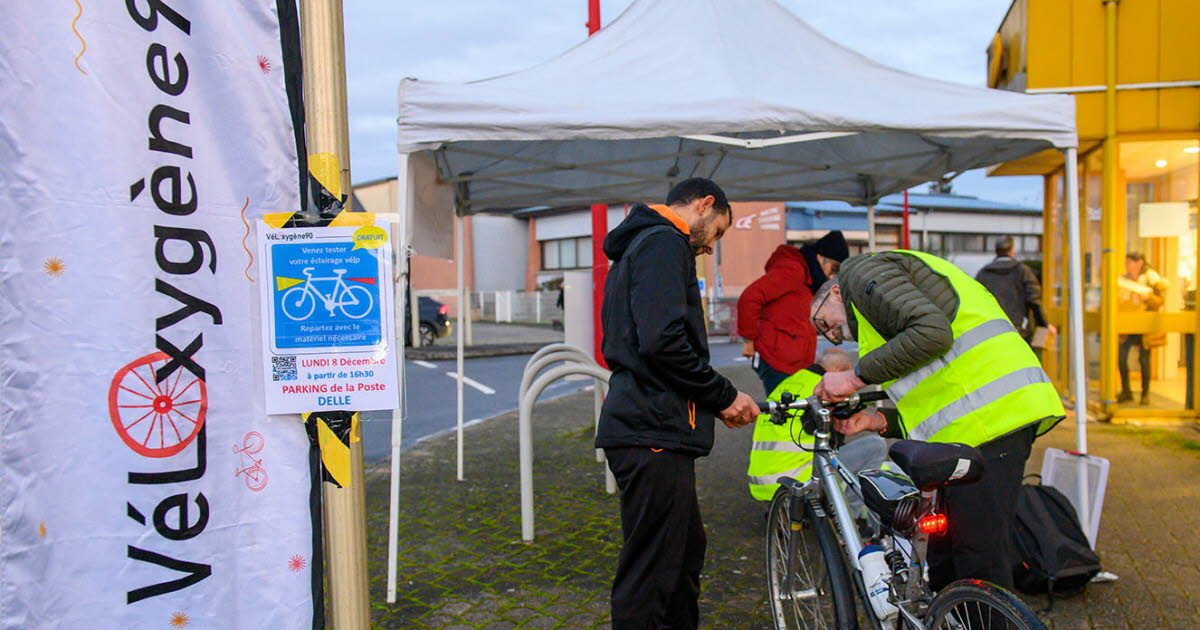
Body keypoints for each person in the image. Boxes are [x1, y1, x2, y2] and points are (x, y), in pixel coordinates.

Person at [807, 250, 1065, 592]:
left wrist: (853, 378)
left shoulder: (860, 273)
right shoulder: (876, 312)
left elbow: (932, 333)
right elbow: (934, 393)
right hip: (975, 424)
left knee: (979, 557)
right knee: (945, 555)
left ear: (835, 292)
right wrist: (876, 421)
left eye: (824, 322)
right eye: (825, 334)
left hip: (995, 420)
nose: (834, 336)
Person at [595, 177, 759, 630]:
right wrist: (724, 396)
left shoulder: (645, 244)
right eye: (719, 231)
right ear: (705, 205)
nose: (711, 248)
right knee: (653, 572)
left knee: (683, 552)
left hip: (654, 426)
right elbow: (663, 343)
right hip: (651, 427)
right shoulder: (664, 244)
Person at [746, 348, 887, 504]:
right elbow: (835, 445)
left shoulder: (789, 383)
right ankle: (851, 518)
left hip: (761, 484)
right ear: (837, 371)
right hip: (800, 481)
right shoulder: (827, 390)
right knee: (876, 445)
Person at [737, 232, 850, 394]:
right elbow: (750, 297)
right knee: (785, 413)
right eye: (834, 268)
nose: (832, 275)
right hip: (778, 361)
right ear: (820, 257)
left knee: (794, 412)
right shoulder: (792, 270)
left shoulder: (807, 278)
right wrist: (749, 340)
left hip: (792, 361)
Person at [975, 236, 1053, 344]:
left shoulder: (983, 273)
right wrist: (1044, 324)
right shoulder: (1023, 271)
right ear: (1012, 251)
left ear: (996, 251)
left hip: (990, 331)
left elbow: (975, 302)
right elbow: (1034, 300)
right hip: (1019, 330)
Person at [1118, 251, 1169, 405]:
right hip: (1128, 324)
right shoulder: (1124, 280)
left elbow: (1160, 301)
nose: (1126, 265)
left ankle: (1145, 394)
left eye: (1129, 262)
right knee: (1121, 358)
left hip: (1145, 326)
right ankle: (1126, 391)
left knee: (1144, 359)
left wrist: (1148, 297)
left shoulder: (1151, 279)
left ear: (1139, 262)